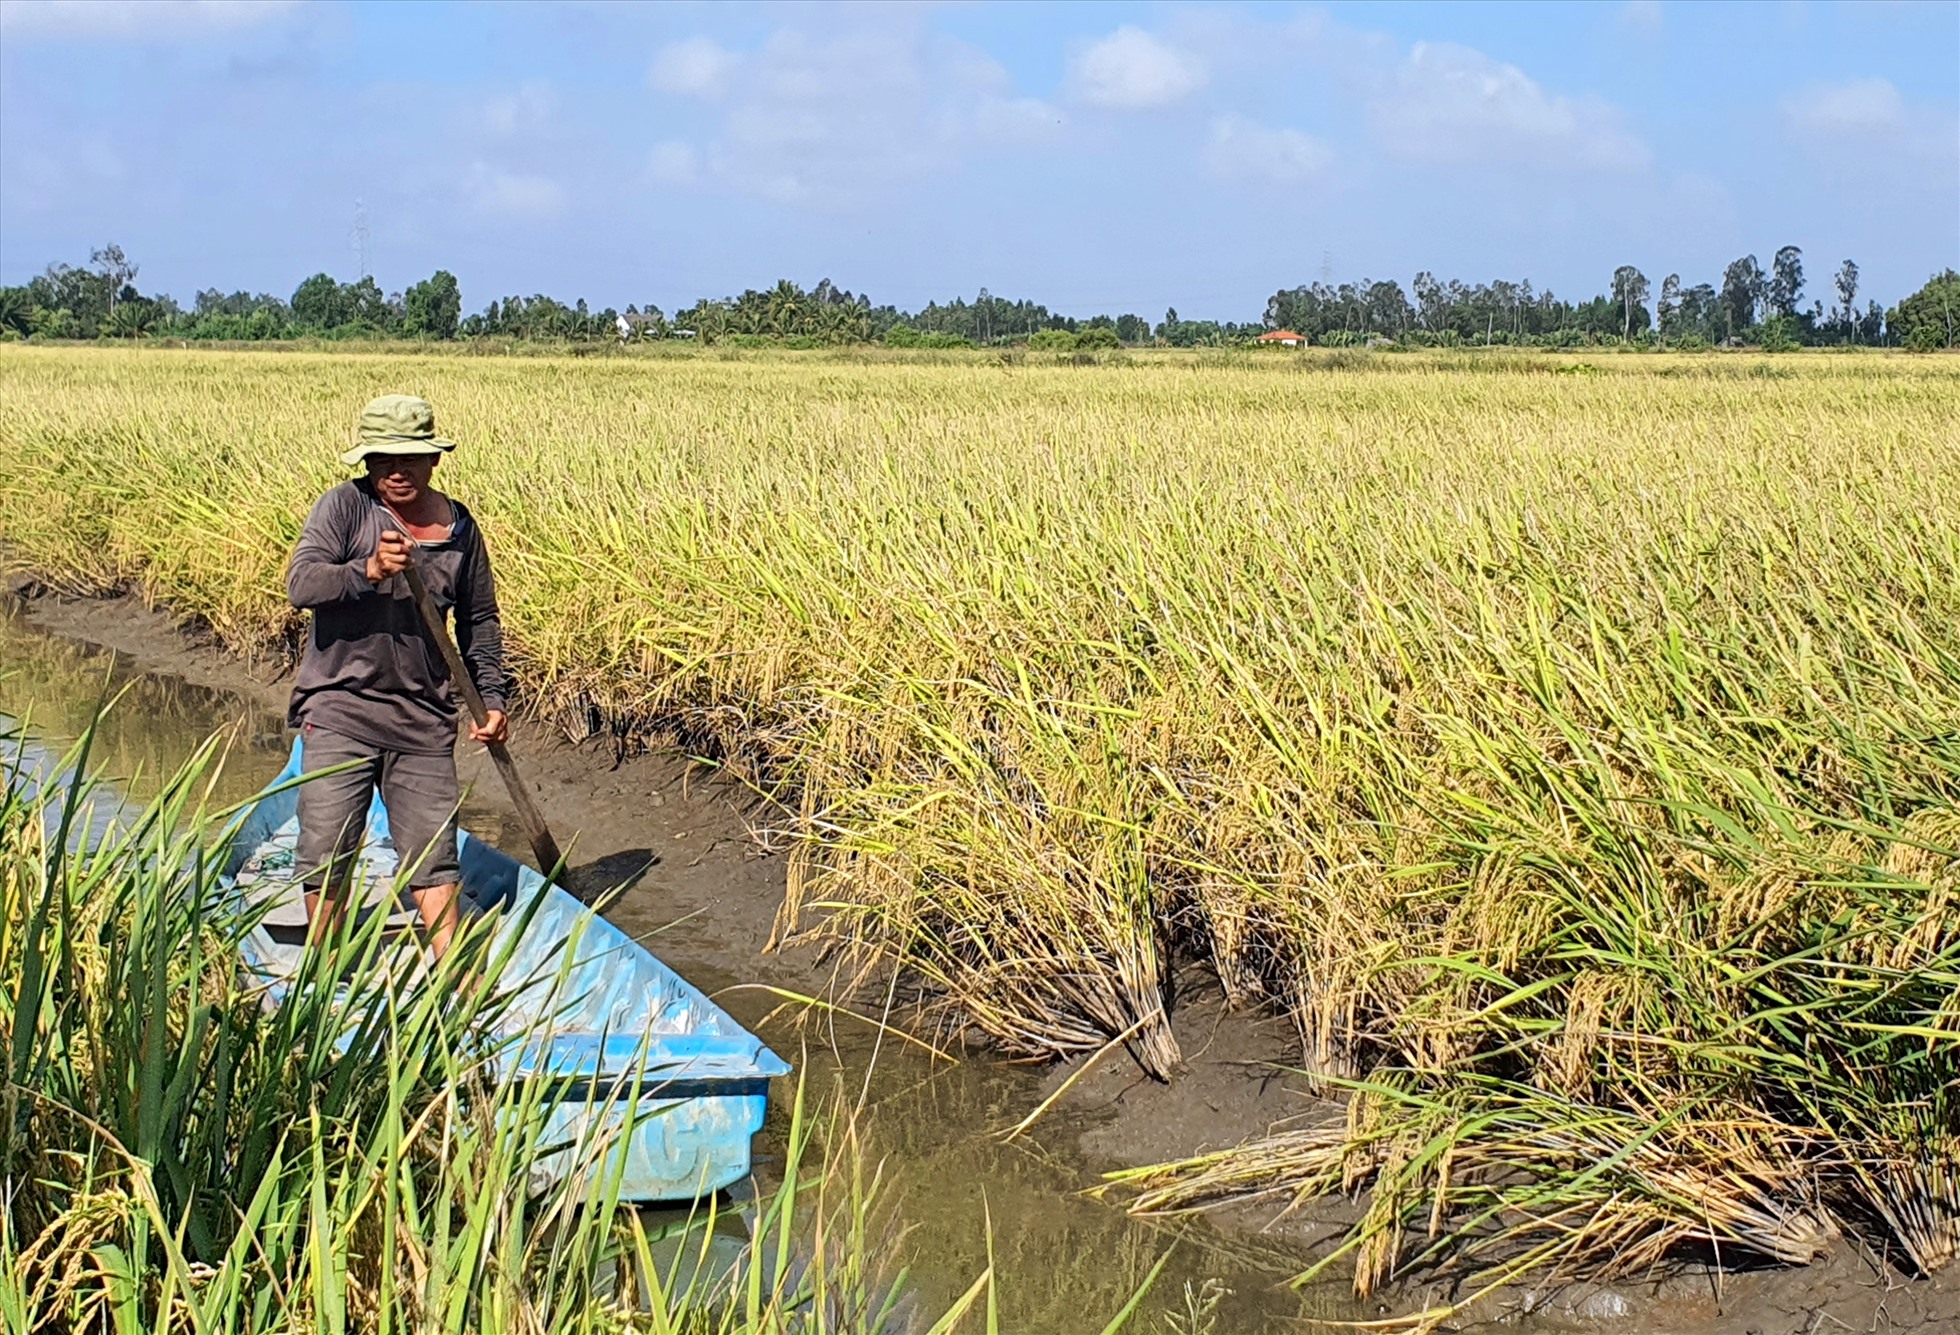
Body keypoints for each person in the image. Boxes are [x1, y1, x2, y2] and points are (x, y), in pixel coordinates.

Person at [286, 394, 510, 959]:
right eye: (384, 459)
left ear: (434, 461)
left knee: (433, 857)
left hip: (422, 720)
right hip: (340, 708)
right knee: (328, 848)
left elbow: (479, 620)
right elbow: (302, 584)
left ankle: (458, 986)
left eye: (410, 458)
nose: (397, 470)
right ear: (367, 462)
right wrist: (367, 570)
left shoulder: (460, 531)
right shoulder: (345, 509)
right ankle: (321, 976)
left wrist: (492, 699)